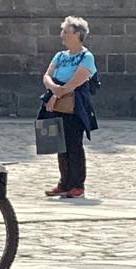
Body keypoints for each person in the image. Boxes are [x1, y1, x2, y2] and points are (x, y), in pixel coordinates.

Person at [41, 15, 98, 200]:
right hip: (56, 104)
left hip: (74, 106)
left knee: (74, 145)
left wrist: (57, 93)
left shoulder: (86, 57)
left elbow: (77, 80)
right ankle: (64, 182)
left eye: (66, 32)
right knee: (60, 145)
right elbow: (47, 76)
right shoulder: (60, 55)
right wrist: (53, 88)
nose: (62, 35)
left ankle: (77, 185)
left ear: (77, 34)